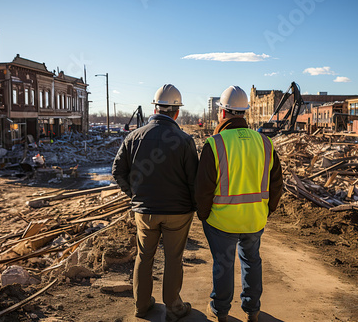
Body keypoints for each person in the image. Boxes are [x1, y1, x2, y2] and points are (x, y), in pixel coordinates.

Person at [195, 86, 283, 322]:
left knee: (223, 264)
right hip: (254, 219)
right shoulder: (265, 143)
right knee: (252, 261)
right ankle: (252, 310)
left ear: (222, 113)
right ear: (244, 113)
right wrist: (267, 210)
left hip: (222, 221)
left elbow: (202, 189)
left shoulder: (215, 144)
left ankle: (220, 311)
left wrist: (204, 215)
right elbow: (277, 184)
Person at [112, 84, 198, 321]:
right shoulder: (185, 140)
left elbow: (118, 171)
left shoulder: (133, 137)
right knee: (174, 259)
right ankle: (173, 307)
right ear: (177, 112)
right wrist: (193, 206)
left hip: (145, 211)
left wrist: (136, 196)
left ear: (155, 108)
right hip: (178, 213)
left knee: (144, 256)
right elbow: (194, 181)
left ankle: (141, 306)